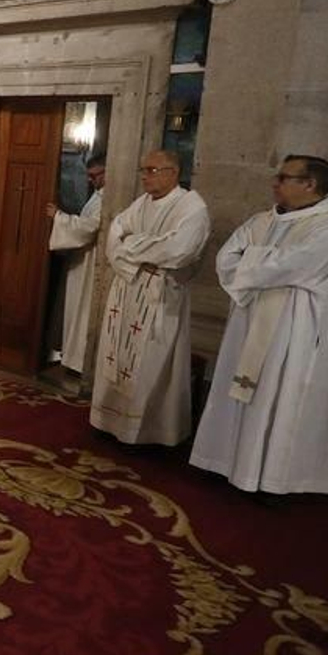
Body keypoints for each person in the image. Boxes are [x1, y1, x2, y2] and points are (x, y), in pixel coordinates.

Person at [189, 156, 328, 495]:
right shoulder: (259, 221)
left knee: (278, 396)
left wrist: (254, 260)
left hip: (292, 332)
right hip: (247, 323)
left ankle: (270, 478)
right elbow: (226, 259)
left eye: (284, 177)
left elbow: (294, 264)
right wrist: (263, 263)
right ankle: (223, 461)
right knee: (235, 386)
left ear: (310, 185)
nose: (274, 183)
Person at [89, 150, 210, 446]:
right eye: (143, 169)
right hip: (127, 291)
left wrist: (131, 248)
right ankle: (110, 421)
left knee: (150, 362)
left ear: (173, 172)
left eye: (152, 170)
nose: (145, 175)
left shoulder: (192, 207)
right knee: (115, 354)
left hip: (159, 296)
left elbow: (180, 249)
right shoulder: (140, 204)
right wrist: (140, 254)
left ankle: (147, 433)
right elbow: (114, 235)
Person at [46, 154, 106, 374]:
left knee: (82, 311)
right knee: (74, 310)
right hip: (82, 261)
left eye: (94, 175)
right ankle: (70, 358)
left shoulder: (108, 198)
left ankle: (79, 361)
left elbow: (89, 228)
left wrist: (59, 217)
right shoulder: (98, 196)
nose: (91, 180)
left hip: (92, 265)